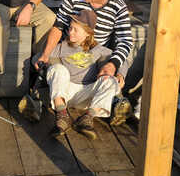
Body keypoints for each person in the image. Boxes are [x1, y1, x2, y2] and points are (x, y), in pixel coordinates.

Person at [37, 0, 133, 123]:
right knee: (53, 65)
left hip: (96, 59)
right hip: (69, 51)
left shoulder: (118, 7)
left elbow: (125, 41)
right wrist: (46, 54)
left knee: (122, 60)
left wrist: (113, 66)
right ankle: (113, 101)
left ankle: (101, 108)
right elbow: (59, 26)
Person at [42, 9, 129, 139]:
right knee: (58, 69)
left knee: (110, 80)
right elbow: (40, 58)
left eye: (76, 30)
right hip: (64, 93)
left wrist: (120, 75)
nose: (70, 32)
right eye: (70, 28)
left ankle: (87, 118)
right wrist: (46, 62)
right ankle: (62, 116)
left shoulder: (98, 50)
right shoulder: (61, 47)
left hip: (88, 96)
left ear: (88, 33)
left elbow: (124, 60)